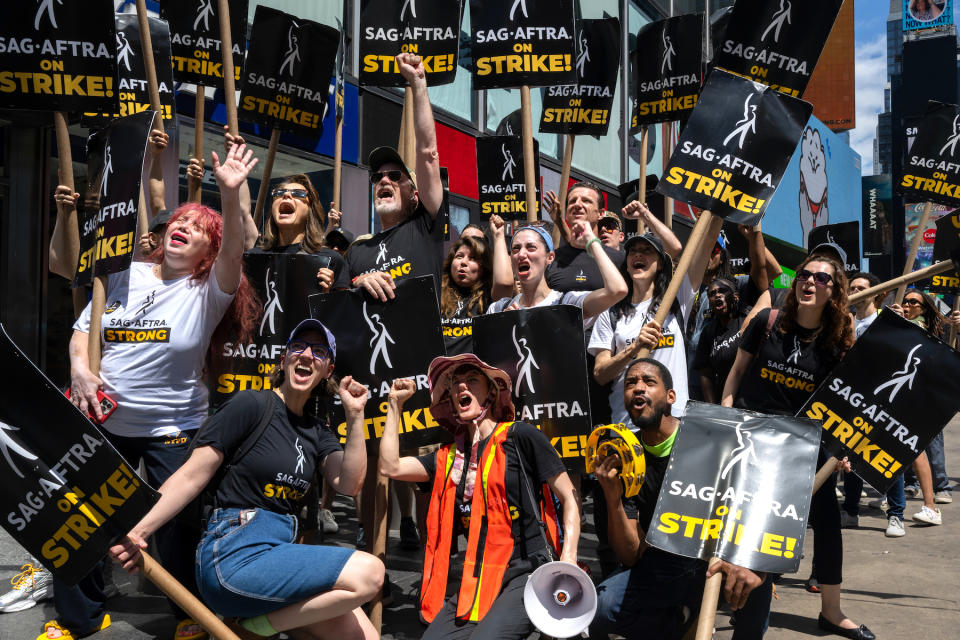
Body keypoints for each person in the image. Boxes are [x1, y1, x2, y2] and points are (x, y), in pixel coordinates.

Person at [45, 145, 261, 640]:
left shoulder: (207, 291)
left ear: (209, 251)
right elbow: (85, 331)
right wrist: (80, 369)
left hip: (172, 429)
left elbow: (235, 253)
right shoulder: (121, 275)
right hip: (104, 423)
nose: (183, 226)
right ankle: (77, 619)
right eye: (178, 221)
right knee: (79, 520)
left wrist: (229, 194)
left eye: (199, 227)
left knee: (176, 528)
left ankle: (189, 610)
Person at [109, 319, 383, 639]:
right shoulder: (252, 404)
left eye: (318, 351)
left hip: (278, 556)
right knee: (370, 574)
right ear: (284, 360)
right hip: (232, 554)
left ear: (327, 370)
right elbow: (191, 476)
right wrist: (138, 532)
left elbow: (350, 484)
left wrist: (355, 415)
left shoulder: (317, 432)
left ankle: (254, 626)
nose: (307, 354)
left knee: (362, 635)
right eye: (299, 347)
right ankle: (256, 627)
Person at [722, 255, 874, 640]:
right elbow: (737, 373)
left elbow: (845, 401)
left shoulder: (838, 341)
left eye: (821, 278)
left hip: (805, 447)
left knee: (826, 522)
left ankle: (832, 611)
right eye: (804, 275)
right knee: (746, 520)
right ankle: (737, 596)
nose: (809, 282)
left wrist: (842, 451)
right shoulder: (767, 322)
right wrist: (726, 418)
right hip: (753, 438)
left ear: (834, 290)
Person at [378, 354, 580, 639]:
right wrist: (395, 406)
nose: (462, 387)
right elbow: (390, 467)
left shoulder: (520, 436)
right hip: (479, 574)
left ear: (491, 392)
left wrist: (569, 557)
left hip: (527, 569)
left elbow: (569, 496)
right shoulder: (449, 458)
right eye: (455, 383)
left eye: (472, 380)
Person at [590, 358, 765, 640]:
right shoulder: (623, 457)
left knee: (755, 581)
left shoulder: (709, 438)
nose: (638, 388)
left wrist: (749, 564)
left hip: (714, 560)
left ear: (671, 397)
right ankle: (677, 625)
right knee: (601, 607)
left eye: (648, 382)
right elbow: (630, 555)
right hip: (661, 566)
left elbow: (757, 502)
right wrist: (612, 498)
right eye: (630, 383)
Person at [590, 203, 720, 423]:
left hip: (673, 424)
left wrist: (716, 208)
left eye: (647, 250)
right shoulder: (611, 313)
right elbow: (600, 374)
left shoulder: (677, 299)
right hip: (627, 427)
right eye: (633, 251)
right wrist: (634, 348)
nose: (638, 255)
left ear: (660, 264)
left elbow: (707, 241)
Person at [347, 52, 444, 301]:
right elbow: (340, 303)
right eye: (377, 177)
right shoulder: (357, 250)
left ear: (415, 194)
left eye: (394, 175)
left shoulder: (425, 225)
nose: (384, 180)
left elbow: (428, 152)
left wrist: (418, 83)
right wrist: (359, 281)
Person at [890, 289, 952, 523]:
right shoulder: (898, 326)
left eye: (913, 302)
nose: (906, 305)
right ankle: (903, 498)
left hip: (922, 400)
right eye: (904, 301)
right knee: (902, 451)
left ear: (924, 309)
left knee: (917, 450)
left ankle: (933, 501)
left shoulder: (928, 331)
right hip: (899, 397)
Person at [486, 221, 627, 319]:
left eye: (531, 247)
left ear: (550, 257)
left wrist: (591, 241)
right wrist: (502, 325)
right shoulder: (498, 309)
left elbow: (617, 290)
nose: (522, 254)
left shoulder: (568, 304)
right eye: (516, 249)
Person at [246, 173, 349, 292]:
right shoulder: (253, 258)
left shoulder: (330, 260)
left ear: (310, 210)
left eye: (298, 194)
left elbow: (342, 309)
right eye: (278, 193)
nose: (286, 195)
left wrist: (326, 295)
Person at [440, 218, 513, 355]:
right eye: (459, 256)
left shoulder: (489, 296)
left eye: (472, 258)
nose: (463, 262)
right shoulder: (437, 292)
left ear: (484, 267)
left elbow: (505, 283)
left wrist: (498, 236)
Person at [694, 278, 770, 404]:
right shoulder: (708, 332)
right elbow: (705, 375)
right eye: (712, 294)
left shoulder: (749, 321)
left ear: (735, 297)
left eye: (722, 291)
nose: (717, 295)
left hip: (751, 402)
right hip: (724, 402)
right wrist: (713, 409)